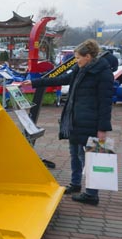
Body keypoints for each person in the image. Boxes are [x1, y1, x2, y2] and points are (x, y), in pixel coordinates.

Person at [22, 39, 113, 205]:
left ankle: (92, 194)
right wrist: (34, 82)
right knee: (74, 153)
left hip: (90, 122)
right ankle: (75, 183)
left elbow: (106, 102)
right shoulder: (79, 70)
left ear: (88, 56)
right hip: (74, 120)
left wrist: (102, 128)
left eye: (78, 58)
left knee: (89, 157)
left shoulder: (103, 73)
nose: (76, 61)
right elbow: (61, 79)